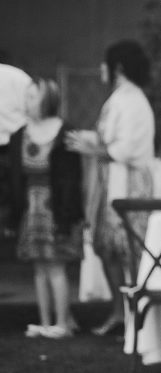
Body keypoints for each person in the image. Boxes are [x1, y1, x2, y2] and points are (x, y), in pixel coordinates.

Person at [66, 40, 155, 336]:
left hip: (128, 184)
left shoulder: (132, 101)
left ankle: (139, 314)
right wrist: (88, 140)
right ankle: (120, 311)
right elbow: (110, 139)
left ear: (117, 68)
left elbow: (125, 150)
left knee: (129, 248)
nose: (101, 69)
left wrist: (91, 148)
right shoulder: (119, 98)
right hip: (111, 181)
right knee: (106, 248)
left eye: (105, 64)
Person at [8, 78, 85, 339]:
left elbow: (73, 179)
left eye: (33, 96)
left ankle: (63, 323)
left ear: (47, 99)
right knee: (39, 267)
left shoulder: (65, 133)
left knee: (56, 266)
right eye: (26, 96)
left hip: (56, 209)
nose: (27, 101)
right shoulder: (19, 135)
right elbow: (15, 178)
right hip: (31, 210)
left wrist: (69, 215)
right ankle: (45, 322)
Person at [0, 51, 31, 238]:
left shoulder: (16, 77)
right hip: (14, 139)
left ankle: (12, 228)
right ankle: (12, 228)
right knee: (14, 188)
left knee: (14, 188)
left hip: (15, 141)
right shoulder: (17, 76)